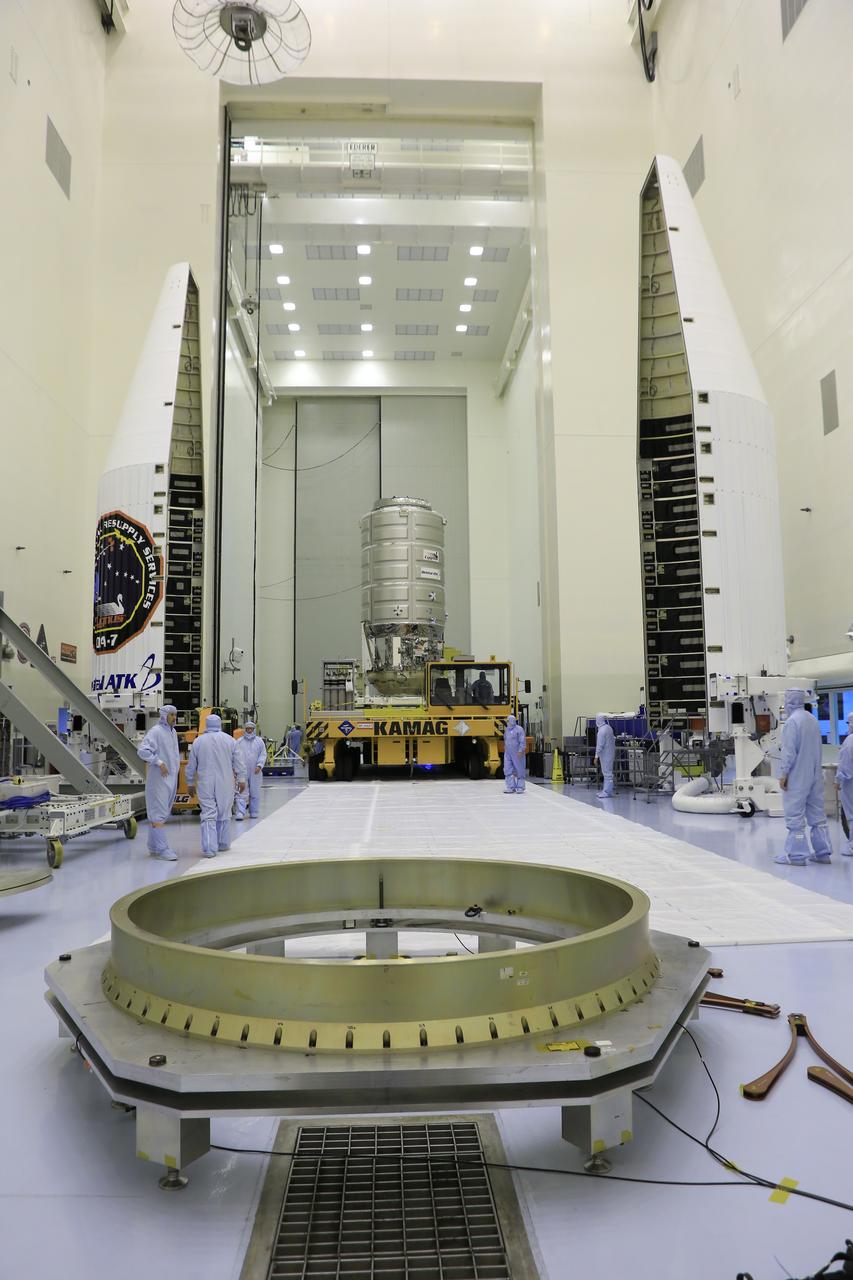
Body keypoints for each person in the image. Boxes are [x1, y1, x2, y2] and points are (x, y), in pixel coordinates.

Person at [775, 688, 832, 865]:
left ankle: (797, 855)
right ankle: (823, 853)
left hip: (797, 775)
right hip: (815, 774)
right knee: (817, 814)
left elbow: (789, 752)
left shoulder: (792, 722)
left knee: (795, 815)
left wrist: (784, 774)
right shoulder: (812, 719)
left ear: (789, 701)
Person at [185, 713, 246, 857]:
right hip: (225, 781)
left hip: (205, 782)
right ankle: (223, 843)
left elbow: (191, 765)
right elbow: (238, 761)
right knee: (224, 811)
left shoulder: (198, 741)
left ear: (206, 724)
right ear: (220, 724)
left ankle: (209, 848)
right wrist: (242, 779)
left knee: (208, 813)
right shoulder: (230, 740)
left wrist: (190, 782)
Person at [137, 704, 180, 861]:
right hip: (159, 780)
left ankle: (154, 846)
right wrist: (158, 762)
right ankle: (162, 849)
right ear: (163, 716)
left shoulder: (173, 732)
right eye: (171, 715)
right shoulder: (156, 732)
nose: (174, 718)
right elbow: (142, 750)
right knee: (158, 813)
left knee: (162, 812)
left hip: (170, 779)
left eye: (175, 714)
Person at [234, 721, 267, 820]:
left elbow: (263, 754)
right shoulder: (239, 741)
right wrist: (236, 768)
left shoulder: (259, 741)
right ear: (245, 729)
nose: (249, 730)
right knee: (241, 791)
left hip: (255, 771)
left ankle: (254, 811)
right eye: (247, 728)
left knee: (255, 791)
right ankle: (240, 812)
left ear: (254, 729)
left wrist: (259, 765)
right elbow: (235, 755)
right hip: (242, 771)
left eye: (251, 729)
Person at [836, 711, 853, 858]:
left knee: (851, 815)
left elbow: (845, 766)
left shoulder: (849, 741)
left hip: (850, 783)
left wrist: (838, 780)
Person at [503, 713, 526, 793]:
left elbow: (522, 741)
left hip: (517, 753)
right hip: (508, 753)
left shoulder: (519, 729)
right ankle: (510, 787)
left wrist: (520, 750)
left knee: (519, 769)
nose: (507, 722)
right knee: (507, 769)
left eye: (508, 721)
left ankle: (520, 787)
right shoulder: (507, 730)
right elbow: (505, 739)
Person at [594, 713, 616, 798]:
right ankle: (606, 790)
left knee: (607, 773)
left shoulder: (601, 731)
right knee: (607, 772)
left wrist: (596, 757)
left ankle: (607, 792)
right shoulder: (608, 728)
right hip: (610, 753)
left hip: (605, 754)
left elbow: (599, 745)